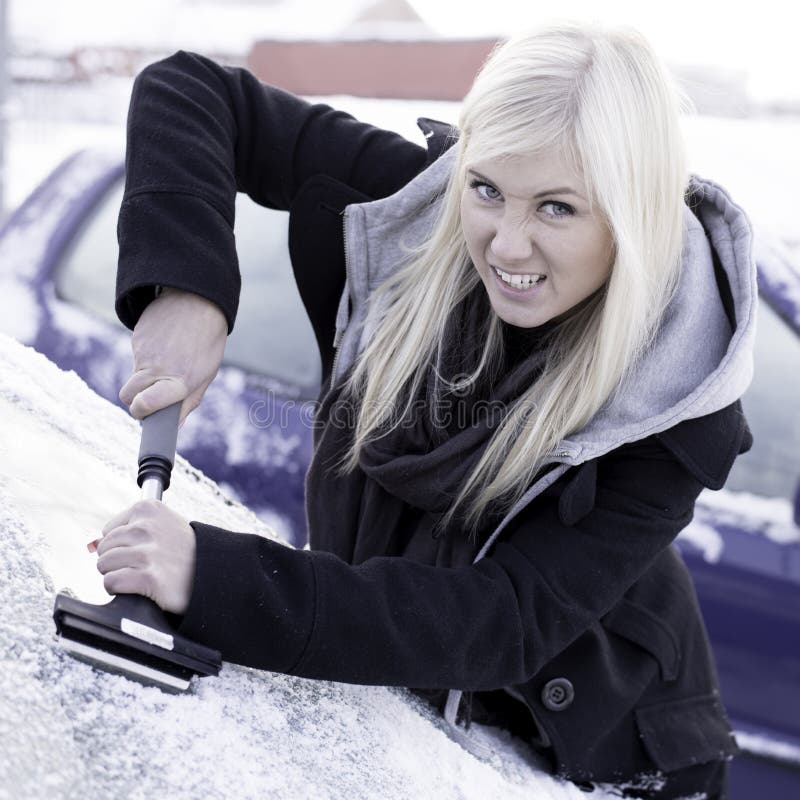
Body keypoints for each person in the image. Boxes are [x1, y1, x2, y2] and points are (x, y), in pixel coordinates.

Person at [96, 20, 756, 799]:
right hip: (398, 684)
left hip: (599, 755)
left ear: (631, 211)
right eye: (487, 190)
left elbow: (501, 619)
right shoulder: (412, 208)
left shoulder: (678, 404)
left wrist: (220, 578)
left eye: (556, 209)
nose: (507, 246)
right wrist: (187, 286)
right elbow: (190, 89)